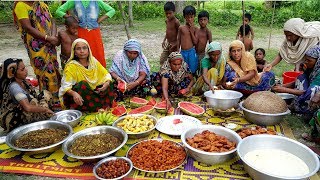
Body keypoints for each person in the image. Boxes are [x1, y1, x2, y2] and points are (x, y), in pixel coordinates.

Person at [13, 1, 61, 105]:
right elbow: (28, 27)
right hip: (37, 47)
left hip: (50, 44)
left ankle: (57, 99)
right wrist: (48, 38)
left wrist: (52, 37)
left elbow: (52, 21)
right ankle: (47, 101)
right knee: (44, 73)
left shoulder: (41, 4)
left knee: (54, 69)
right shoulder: (21, 5)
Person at [59, 38, 115, 112]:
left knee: (109, 83)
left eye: (84, 48)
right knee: (83, 84)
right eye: (78, 49)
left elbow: (105, 74)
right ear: (74, 52)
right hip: (80, 94)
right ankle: (98, 106)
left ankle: (98, 106)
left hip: (94, 91)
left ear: (88, 50)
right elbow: (65, 86)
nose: (82, 51)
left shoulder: (93, 62)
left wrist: (106, 83)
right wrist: (74, 94)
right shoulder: (71, 66)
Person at [56, 0, 115, 68]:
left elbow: (112, 10)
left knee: (97, 52)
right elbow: (59, 11)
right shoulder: (74, 1)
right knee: (82, 51)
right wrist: (71, 18)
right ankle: (83, 72)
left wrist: (99, 20)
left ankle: (99, 72)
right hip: (81, 31)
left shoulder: (96, 1)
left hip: (94, 32)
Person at [0, 58, 54, 133]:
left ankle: (43, 115)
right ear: (14, 73)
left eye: (25, 68)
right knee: (34, 103)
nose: (26, 70)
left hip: (23, 108)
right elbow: (28, 107)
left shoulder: (23, 81)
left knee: (45, 93)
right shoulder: (14, 87)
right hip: (16, 118)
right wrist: (45, 109)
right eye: (22, 70)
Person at [272, 44, 320, 117]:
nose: (306, 62)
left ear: (317, 61)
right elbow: (299, 81)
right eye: (305, 59)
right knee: (301, 76)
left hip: (316, 96)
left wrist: (284, 89)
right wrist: (282, 86)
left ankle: (305, 110)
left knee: (312, 90)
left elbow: (307, 92)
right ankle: (295, 105)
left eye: (309, 60)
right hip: (307, 92)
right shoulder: (311, 67)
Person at [177, 5, 198, 74]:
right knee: (183, 67)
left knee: (192, 68)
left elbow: (195, 42)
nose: (189, 19)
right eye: (187, 17)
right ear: (184, 17)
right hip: (183, 52)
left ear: (194, 17)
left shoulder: (195, 28)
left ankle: (193, 79)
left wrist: (191, 31)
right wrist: (177, 51)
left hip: (191, 51)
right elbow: (178, 40)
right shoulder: (181, 28)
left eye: (191, 17)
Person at [159, 2, 180, 66]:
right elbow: (167, 31)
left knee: (173, 60)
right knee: (162, 59)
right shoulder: (167, 21)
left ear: (174, 12)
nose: (168, 15)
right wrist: (164, 40)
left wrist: (176, 44)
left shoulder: (176, 22)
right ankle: (163, 72)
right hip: (168, 44)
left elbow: (180, 34)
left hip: (174, 45)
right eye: (166, 13)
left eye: (170, 13)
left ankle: (172, 74)